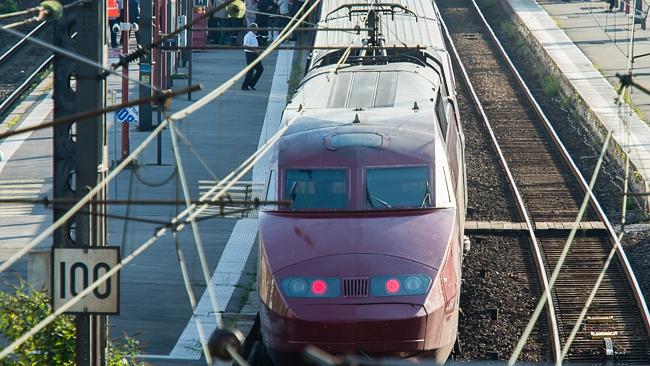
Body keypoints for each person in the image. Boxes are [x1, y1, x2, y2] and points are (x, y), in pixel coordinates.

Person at [242, 23, 263, 90]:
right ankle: (244, 86)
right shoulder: (248, 36)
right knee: (250, 71)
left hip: (254, 54)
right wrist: (255, 50)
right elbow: (245, 46)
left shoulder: (254, 36)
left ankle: (251, 84)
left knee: (260, 69)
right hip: (250, 54)